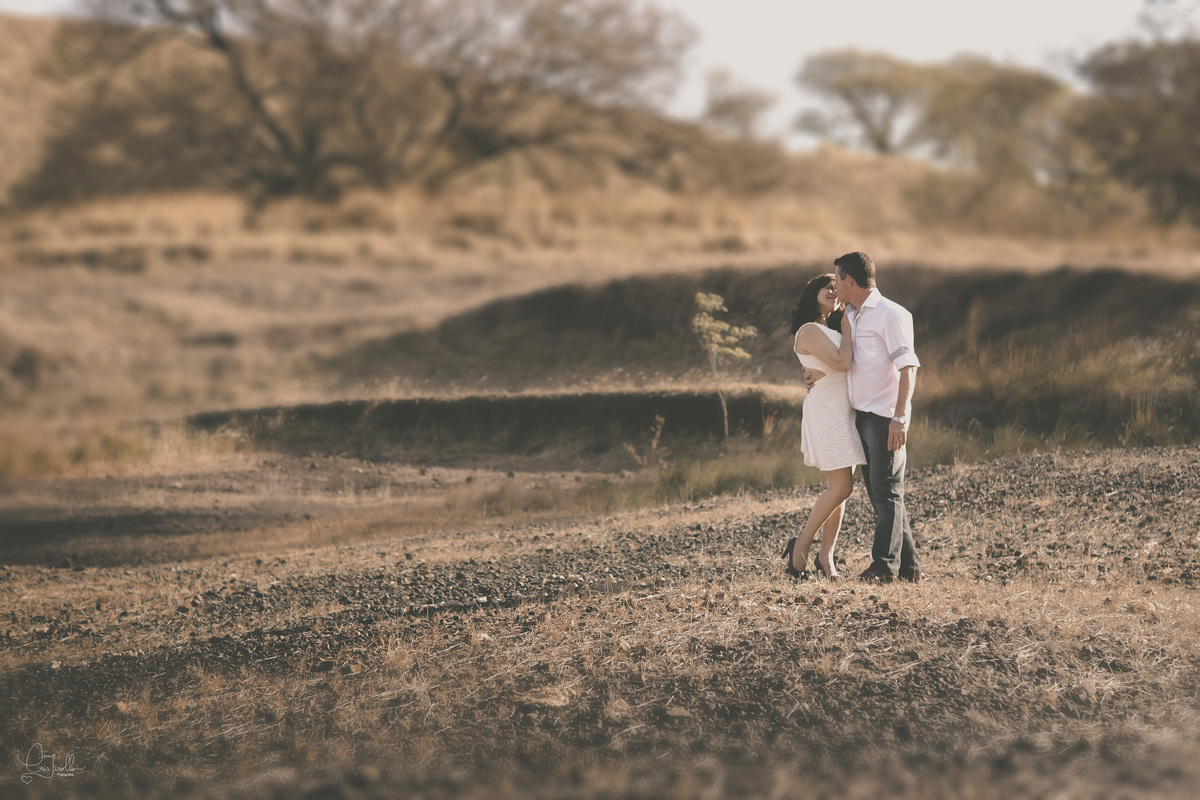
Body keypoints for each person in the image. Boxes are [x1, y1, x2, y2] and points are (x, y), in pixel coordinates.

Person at [826, 251, 922, 583]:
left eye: (837, 279)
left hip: (884, 418)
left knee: (886, 493)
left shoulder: (890, 314)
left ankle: (883, 567)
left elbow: (908, 368)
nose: (834, 285)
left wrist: (900, 418)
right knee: (883, 496)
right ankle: (910, 570)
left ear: (850, 280)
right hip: (861, 417)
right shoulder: (850, 315)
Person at [783, 273, 866, 580]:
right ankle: (799, 552)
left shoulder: (830, 327)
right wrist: (847, 327)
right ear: (812, 293)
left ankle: (826, 556)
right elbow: (842, 363)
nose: (833, 292)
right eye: (827, 288)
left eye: (836, 288)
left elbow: (845, 364)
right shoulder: (808, 329)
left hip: (845, 407)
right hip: (828, 409)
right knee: (841, 487)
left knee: (840, 488)